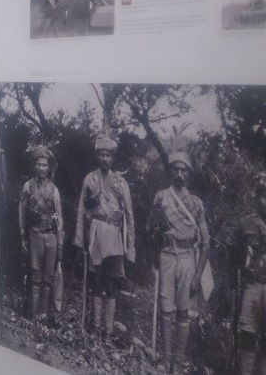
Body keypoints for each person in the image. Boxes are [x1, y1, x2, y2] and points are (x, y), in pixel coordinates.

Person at [147, 151, 209, 372]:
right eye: (176, 169)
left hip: (187, 259)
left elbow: (206, 242)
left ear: (189, 174)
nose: (180, 174)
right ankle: (165, 358)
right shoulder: (161, 197)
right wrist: (155, 251)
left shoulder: (196, 204)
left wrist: (199, 275)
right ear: (170, 171)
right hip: (166, 255)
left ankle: (178, 360)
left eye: (184, 170)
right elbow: (149, 228)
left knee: (183, 310)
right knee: (166, 308)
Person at [74, 136, 135, 339]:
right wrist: (79, 238)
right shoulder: (89, 180)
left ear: (113, 157)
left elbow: (129, 215)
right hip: (95, 235)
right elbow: (82, 209)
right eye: (101, 154)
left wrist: (131, 247)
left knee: (111, 286)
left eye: (108, 155)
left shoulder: (120, 182)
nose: (104, 158)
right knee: (96, 283)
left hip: (115, 236)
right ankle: (96, 328)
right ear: (97, 155)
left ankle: (108, 333)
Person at [226, 176, 266, 374]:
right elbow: (231, 254)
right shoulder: (246, 224)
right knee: (248, 335)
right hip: (252, 286)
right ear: (257, 198)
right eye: (264, 195)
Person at [18, 145, 63, 320]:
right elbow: (21, 213)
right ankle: (34, 315)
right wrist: (23, 237)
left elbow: (59, 218)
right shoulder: (28, 187)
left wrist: (59, 243)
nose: (42, 168)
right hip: (34, 235)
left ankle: (43, 315)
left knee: (48, 278)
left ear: (49, 167)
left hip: (51, 237)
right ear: (34, 166)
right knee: (35, 276)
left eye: (45, 165)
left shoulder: (54, 190)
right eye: (39, 164)